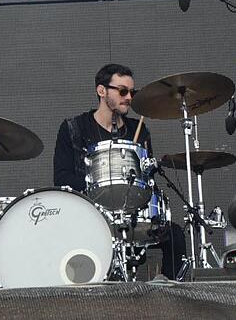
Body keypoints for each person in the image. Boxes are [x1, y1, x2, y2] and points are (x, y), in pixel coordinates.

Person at [53, 63, 185, 279]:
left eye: (133, 92)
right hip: (89, 216)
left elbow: (147, 179)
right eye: (122, 91)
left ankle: (172, 297)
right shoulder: (73, 129)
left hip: (131, 215)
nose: (129, 97)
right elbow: (61, 178)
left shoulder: (138, 130)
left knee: (175, 235)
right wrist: (100, 183)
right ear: (101, 90)